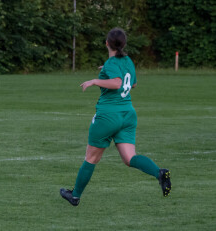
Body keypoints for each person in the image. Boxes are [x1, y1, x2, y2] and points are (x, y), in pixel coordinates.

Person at [60, 28, 171, 206]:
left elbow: (118, 82)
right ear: (124, 44)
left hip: (108, 116)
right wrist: (108, 70)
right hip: (127, 115)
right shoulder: (127, 61)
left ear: (107, 44)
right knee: (130, 158)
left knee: (91, 158)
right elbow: (132, 83)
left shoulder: (112, 63)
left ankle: (75, 195)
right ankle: (159, 173)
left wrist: (95, 80)